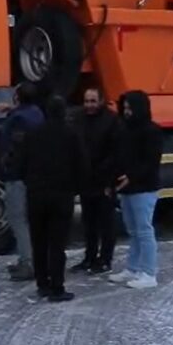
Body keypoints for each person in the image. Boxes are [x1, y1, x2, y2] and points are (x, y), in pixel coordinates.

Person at [17, 95, 88, 302]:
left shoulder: (32, 134)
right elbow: (82, 165)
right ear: (64, 112)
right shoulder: (71, 135)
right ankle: (57, 287)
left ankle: (42, 284)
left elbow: (20, 165)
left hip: (36, 195)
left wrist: (31, 183)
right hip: (61, 195)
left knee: (39, 242)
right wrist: (75, 188)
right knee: (57, 244)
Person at [107, 90, 163, 289]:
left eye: (130, 108)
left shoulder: (152, 131)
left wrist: (130, 176)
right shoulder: (124, 130)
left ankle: (149, 272)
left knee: (144, 230)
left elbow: (151, 162)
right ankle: (133, 268)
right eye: (125, 108)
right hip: (127, 188)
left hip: (144, 188)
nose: (127, 112)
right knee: (133, 230)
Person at [70, 87, 122, 275]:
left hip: (104, 180)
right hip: (86, 180)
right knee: (88, 222)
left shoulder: (112, 120)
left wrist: (108, 178)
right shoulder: (78, 118)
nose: (89, 105)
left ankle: (105, 259)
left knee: (106, 223)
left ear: (101, 101)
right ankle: (89, 257)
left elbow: (116, 152)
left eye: (93, 101)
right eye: (86, 101)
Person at [0, 81, 44, 281]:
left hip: (17, 176)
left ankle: (28, 263)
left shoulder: (18, 120)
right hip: (34, 175)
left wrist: (6, 166)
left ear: (17, 97)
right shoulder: (37, 113)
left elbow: (15, 148)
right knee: (30, 219)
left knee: (18, 219)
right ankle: (30, 259)